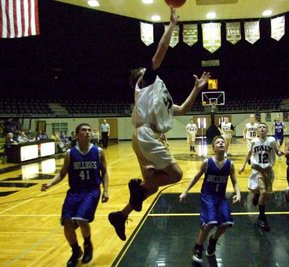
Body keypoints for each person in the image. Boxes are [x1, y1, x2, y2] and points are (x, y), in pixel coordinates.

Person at [108, 6, 210, 242]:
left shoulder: (157, 100)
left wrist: (195, 90)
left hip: (143, 137)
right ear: (140, 79)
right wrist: (172, 26)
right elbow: (158, 55)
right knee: (175, 174)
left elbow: (182, 109)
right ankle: (138, 187)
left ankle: (120, 215)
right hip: (147, 136)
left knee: (151, 187)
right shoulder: (145, 83)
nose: (150, 71)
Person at [41, 123, 109, 267]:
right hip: (75, 191)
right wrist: (50, 184)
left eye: (89, 130)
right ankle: (75, 250)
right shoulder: (70, 154)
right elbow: (62, 173)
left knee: (80, 218)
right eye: (84, 130)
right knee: (67, 222)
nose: (88, 132)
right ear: (77, 135)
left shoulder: (98, 151)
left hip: (91, 190)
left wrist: (106, 190)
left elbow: (105, 172)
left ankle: (87, 244)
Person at [179, 135, 241, 263]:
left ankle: (213, 241)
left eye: (222, 142)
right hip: (208, 196)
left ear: (226, 146)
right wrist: (185, 191)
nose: (221, 143)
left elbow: (234, 181)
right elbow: (195, 177)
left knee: (226, 223)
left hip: (221, 197)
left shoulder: (230, 164)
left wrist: (238, 194)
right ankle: (198, 247)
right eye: (218, 142)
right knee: (210, 222)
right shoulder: (207, 163)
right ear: (213, 148)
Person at [239, 122, 283, 232]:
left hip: (268, 170)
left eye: (264, 127)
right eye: (260, 127)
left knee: (266, 195)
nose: (262, 129)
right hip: (258, 170)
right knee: (264, 193)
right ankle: (262, 218)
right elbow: (249, 154)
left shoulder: (272, 140)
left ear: (267, 131)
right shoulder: (254, 141)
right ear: (257, 131)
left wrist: (283, 152)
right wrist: (243, 165)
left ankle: (256, 194)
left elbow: (278, 153)